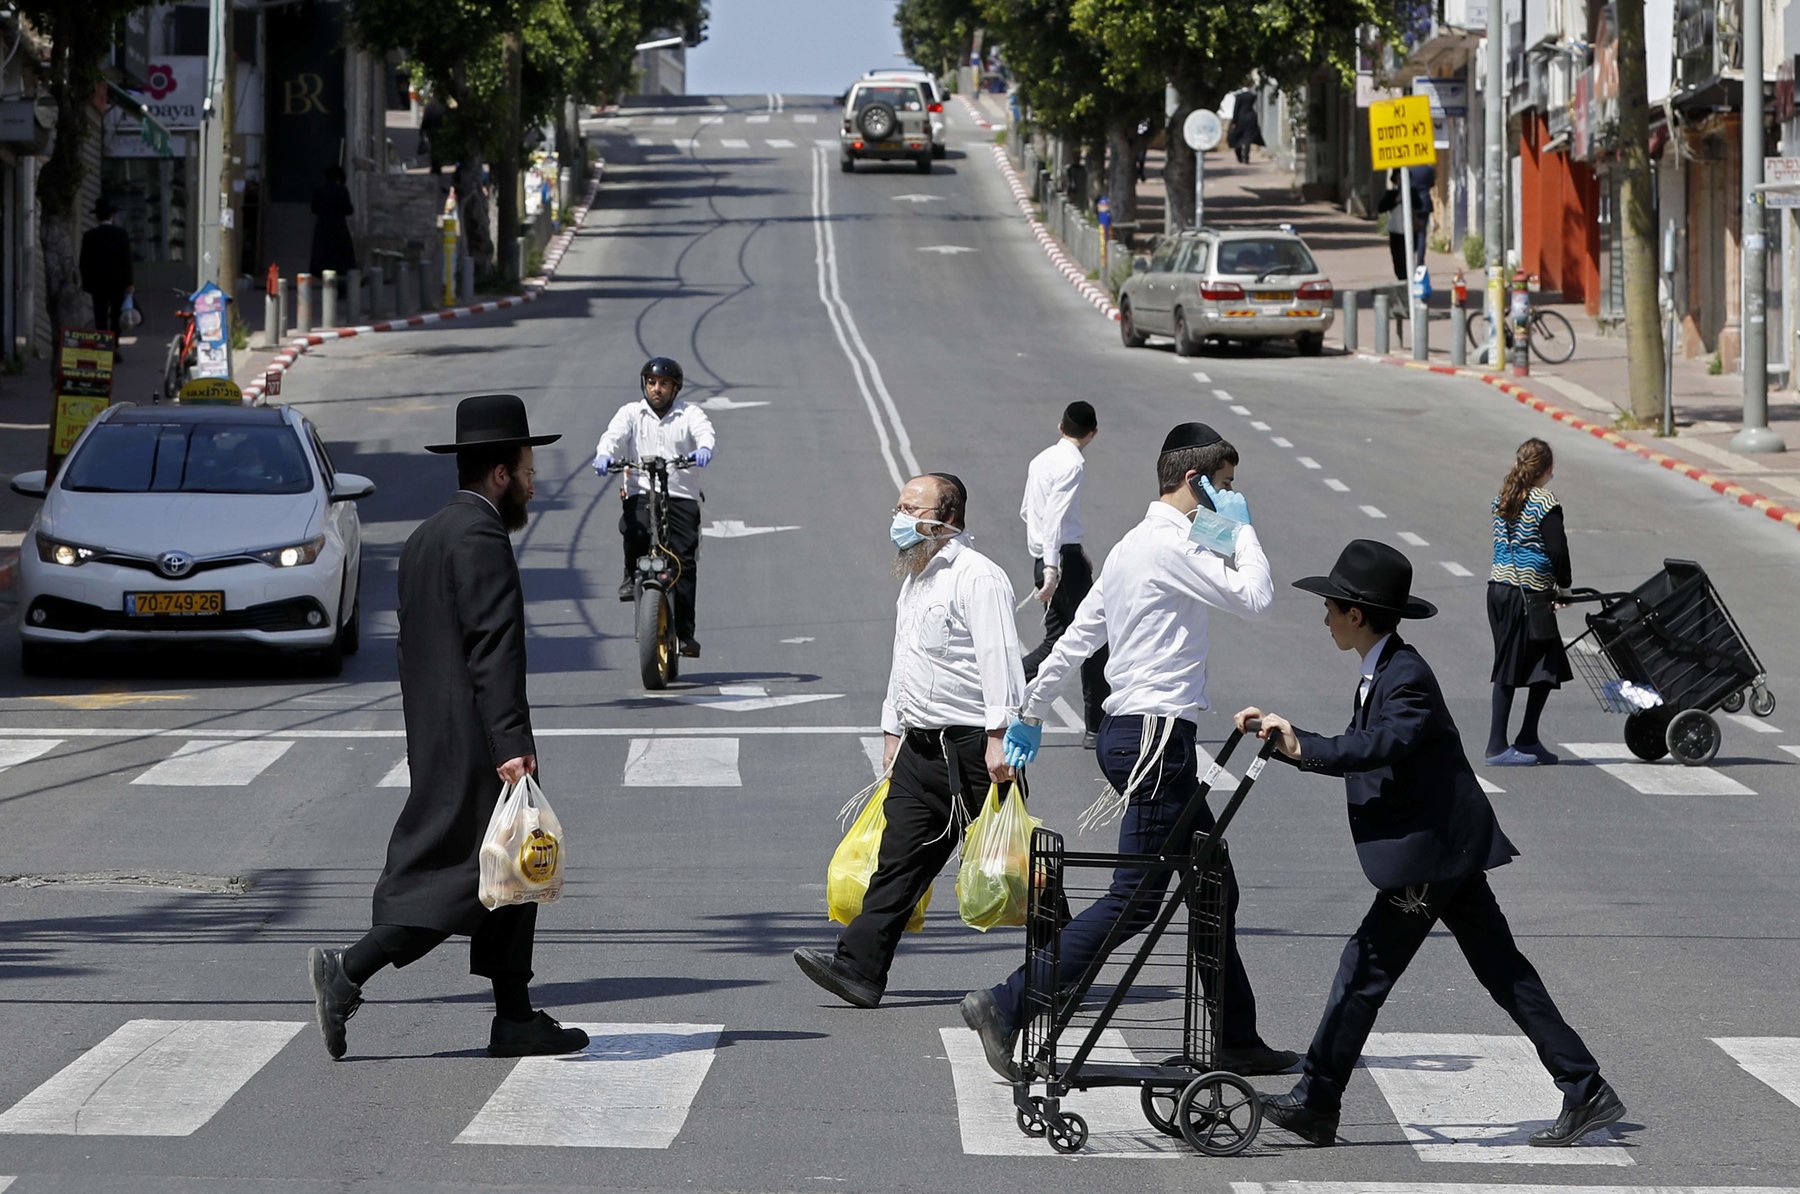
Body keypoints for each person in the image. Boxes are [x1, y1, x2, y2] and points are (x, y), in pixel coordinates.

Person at [1234, 539, 1625, 1149]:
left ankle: (1316, 1100)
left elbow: (1380, 746)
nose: (1325, 617)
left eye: (1331, 606)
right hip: (1447, 850)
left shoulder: (1405, 675)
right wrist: (1291, 740)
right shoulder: (1382, 669)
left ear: (1357, 615)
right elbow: (1367, 746)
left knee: (1364, 968)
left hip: (1433, 854)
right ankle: (1585, 1086)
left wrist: (1301, 746)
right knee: (1502, 970)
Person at [959, 423, 1295, 1083]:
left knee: (1212, 883)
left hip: (1138, 736)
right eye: (1224, 486)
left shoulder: (1131, 547)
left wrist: (1029, 711)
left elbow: (1077, 639)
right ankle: (1009, 1002)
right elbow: (1255, 597)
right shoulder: (1167, 547)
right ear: (1198, 484)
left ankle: (1234, 1037)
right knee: (1136, 900)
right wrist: (1241, 527)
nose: (1231, 497)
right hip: (1154, 739)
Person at [306, 394, 589, 1061]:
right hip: (482, 743)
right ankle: (347, 971)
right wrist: (512, 744)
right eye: (526, 467)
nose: (533, 480)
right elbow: (493, 648)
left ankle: (515, 1014)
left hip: (441, 736)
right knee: (462, 879)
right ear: (499, 473)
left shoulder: (427, 537)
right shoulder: (482, 538)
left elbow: (412, 653)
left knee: (511, 870)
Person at [794, 473, 1025, 1008]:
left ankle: (1063, 964)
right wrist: (892, 730)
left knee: (1008, 864)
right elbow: (906, 664)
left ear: (945, 518)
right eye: (897, 507)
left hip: (973, 750)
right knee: (899, 861)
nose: (898, 519)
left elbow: (1002, 664)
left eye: (910, 508)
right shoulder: (916, 577)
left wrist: (999, 738)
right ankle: (860, 969)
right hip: (921, 749)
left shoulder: (978, 577)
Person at [593, 357, 715, 657]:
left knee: (684, 563)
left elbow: (705, 433)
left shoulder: (690, 414)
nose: (656, 389)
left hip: (681, 495)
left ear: (675, 388)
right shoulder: (631, 413)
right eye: (651, 382)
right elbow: (613, 436)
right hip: (642, 490)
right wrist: (604, 455)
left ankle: (685, 634)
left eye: (663, 384)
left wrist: (704, 449)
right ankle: (629, 574)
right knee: (634, 529)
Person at [1020, 401, 1108, 748]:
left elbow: (1028, 511)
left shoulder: (1041, 459)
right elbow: (1055, 518)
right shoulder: (1073, 464)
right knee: (1094, 639)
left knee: (1058, 640)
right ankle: (1096, 727)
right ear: (1093, 434)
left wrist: (1044, 559)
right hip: (1062, 562)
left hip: (1045, 556)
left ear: (1060, 427)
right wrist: (1056, 566)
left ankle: (1003, 687)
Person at [1485, 438, 1572, 766]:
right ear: (1548, 469)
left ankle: (1528, 737)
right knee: (1509, 666)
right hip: (1525, 595)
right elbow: (1558, 549)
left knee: (1548, 664)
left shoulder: (1504, 497)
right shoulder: (1544, 501)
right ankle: (1496, 746)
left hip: (1499, 591)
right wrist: (1564, 586)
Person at [78, 198, 133, 344]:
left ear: (97, 216)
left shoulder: (89, 236)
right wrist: (129, 282)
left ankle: (103, 346)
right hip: (117, 282)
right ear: (112, 215)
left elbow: (84, 262)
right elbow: (127, 261)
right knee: (116, 315)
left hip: (98, 283)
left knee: (100, 315)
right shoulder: (121, 234)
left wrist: (86, 283)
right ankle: (114, 346)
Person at [309, 165, 357, 279]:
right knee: (341, 260)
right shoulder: (342, 190)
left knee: (323, 256)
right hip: (338, 227)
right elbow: (349, 210)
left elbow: (314, 209)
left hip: (323, 227)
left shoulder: (319, 190)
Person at [1226, 88, 1263, 164]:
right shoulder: (1252, 96)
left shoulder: (1239, 96)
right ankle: (1246, 158)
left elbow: (1236, 109)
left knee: (1237, 138)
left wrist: (1234, 121)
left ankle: (1239, 157)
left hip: (1240, 118)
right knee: (1247, 139)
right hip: (1251, 117)